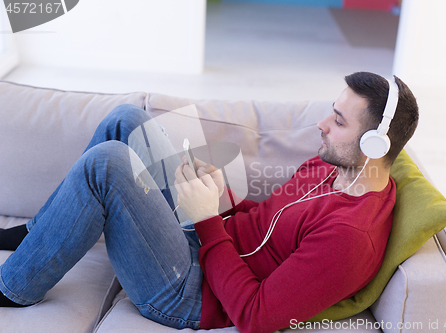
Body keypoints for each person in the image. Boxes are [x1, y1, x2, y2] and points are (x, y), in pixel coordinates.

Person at [0, 72, 418, 333]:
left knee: (107, 165)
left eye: (338, 121)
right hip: (202, 241)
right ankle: (36, 234)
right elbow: (265, 224)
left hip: (190, 293)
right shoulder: (332, 166)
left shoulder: (350, 238)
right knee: (126, 121)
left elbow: (255, 317)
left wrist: (206, 222)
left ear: (374, 144)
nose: (321, 125)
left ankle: (14, 289)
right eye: (331, 112)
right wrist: (219, 203)